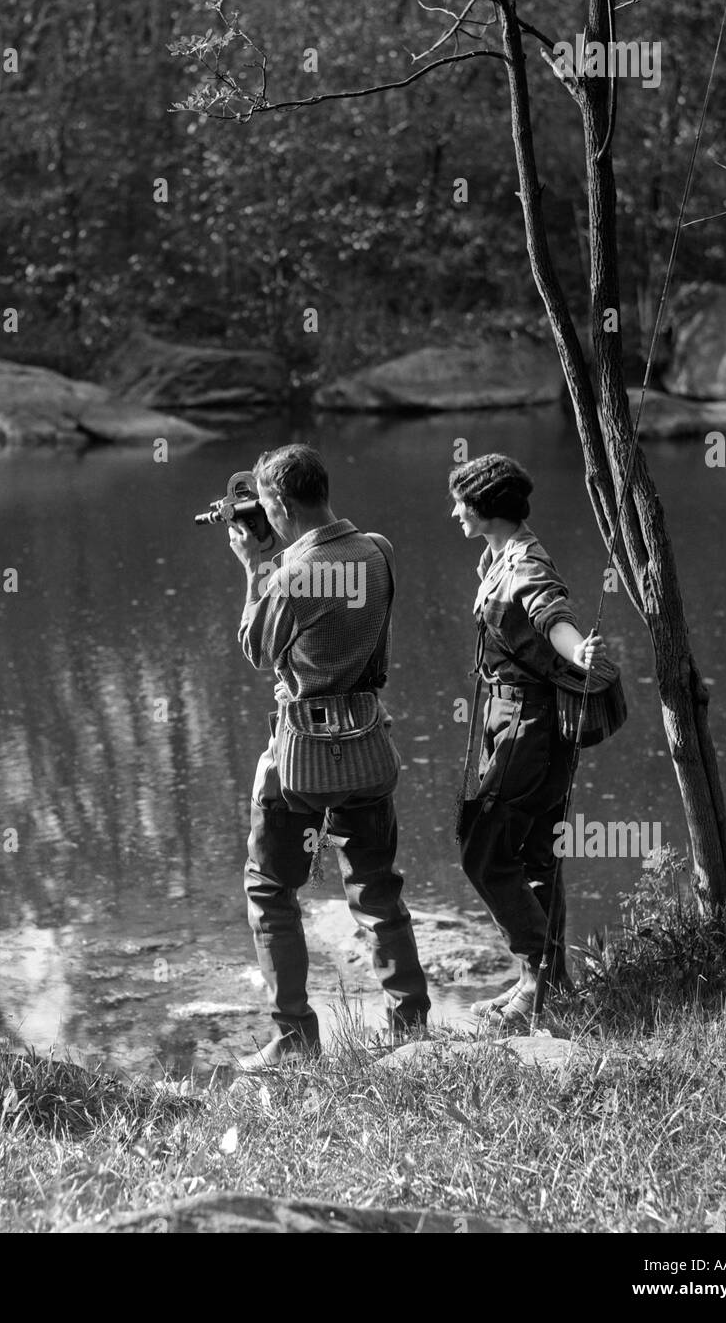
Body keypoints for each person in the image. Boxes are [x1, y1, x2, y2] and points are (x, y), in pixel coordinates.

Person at [228, 444, 430, 1070]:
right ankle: (410, 1025)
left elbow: (257, 648)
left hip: (302, 759)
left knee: (268, 888)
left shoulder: (290, 576)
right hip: (368, 744)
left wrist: (255, 567)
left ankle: (294, 1035)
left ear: (280, 505)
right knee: (376, 890)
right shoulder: (378, 549)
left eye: (266, 506)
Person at [450, 453, 606, 1029]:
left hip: (527, 723)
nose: (454, 512)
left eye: (462, 503)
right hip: (517, 719)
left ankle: (538, 972)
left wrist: (576, 650)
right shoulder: (498, 556)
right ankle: (543, 984)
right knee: (537, 851)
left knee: (484, 850)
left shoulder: (526, 564)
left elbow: (552, 614)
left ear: (488, 508)